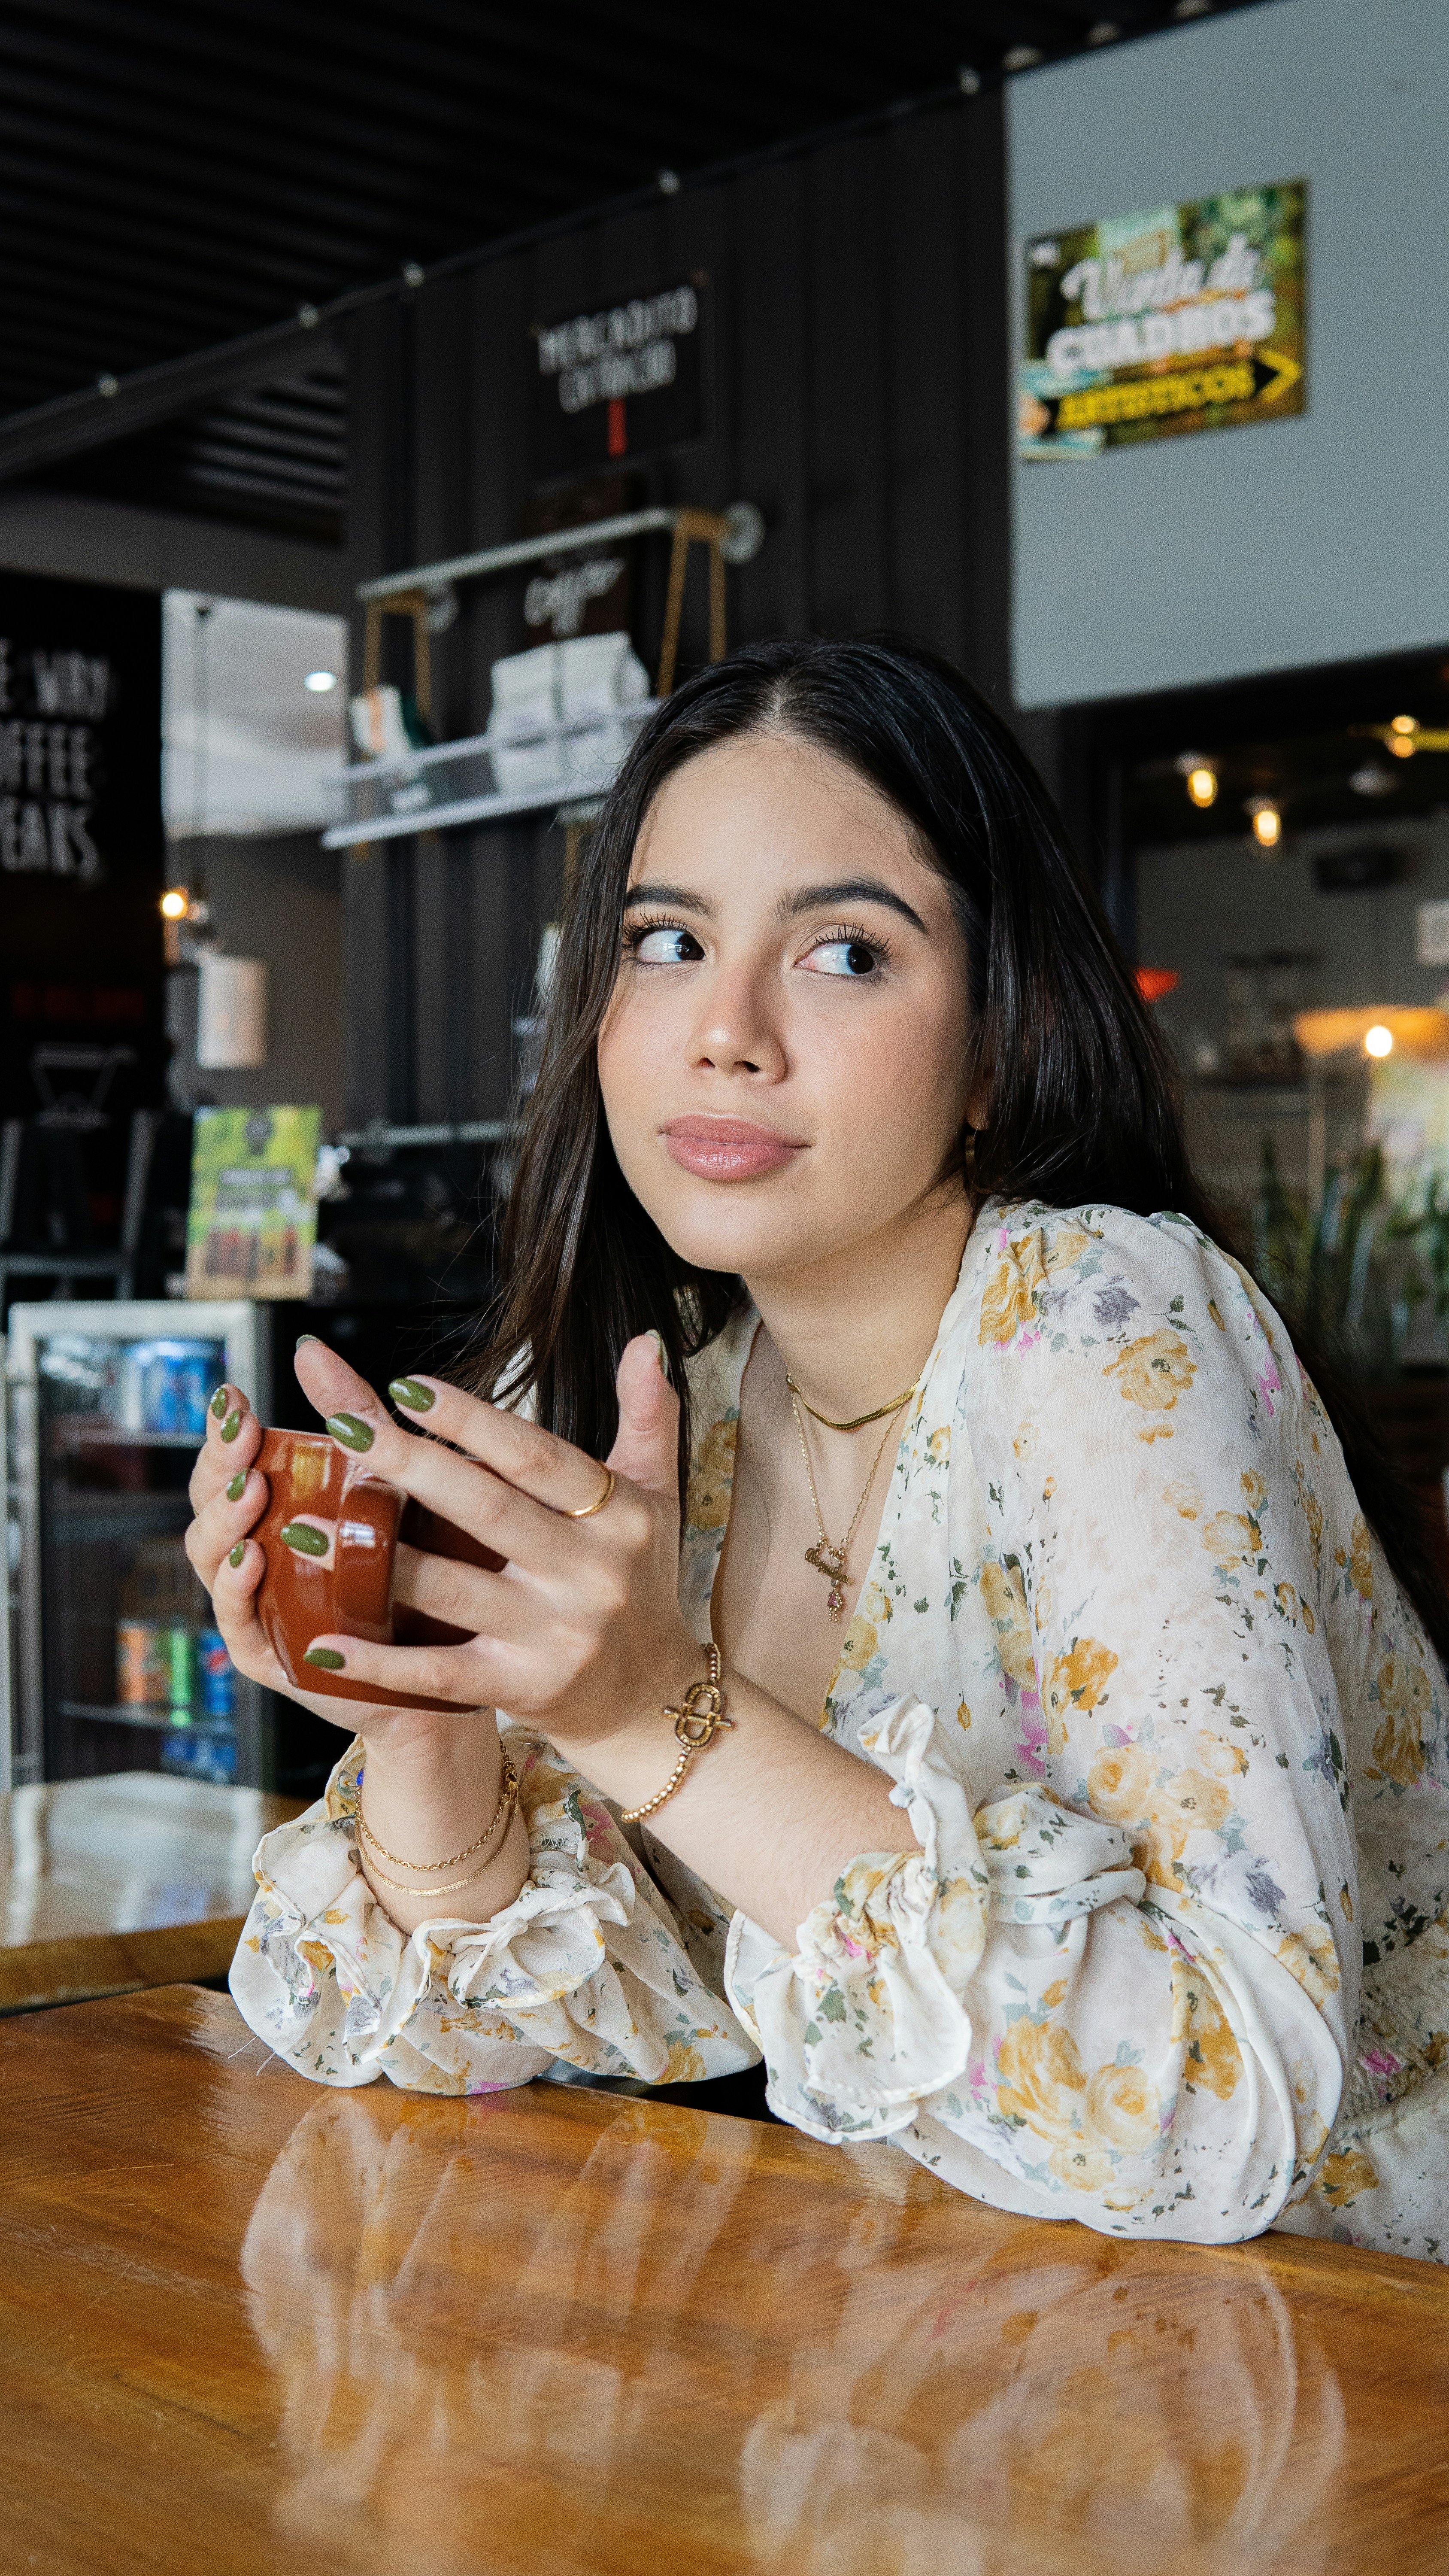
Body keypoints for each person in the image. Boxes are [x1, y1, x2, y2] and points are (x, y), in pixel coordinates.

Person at [195, 635, 1449, 2258]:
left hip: (1331, 2393)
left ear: (997, 1040)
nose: (726, 1031)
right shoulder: (664, 1397)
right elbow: (502, 2045)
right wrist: (425, 1732)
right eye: (665, 943)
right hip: (909, 2373)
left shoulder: (1100, 1322)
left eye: (845, 954)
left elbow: (1226, 2115)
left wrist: (655, 1714)